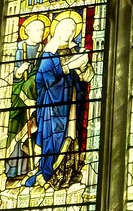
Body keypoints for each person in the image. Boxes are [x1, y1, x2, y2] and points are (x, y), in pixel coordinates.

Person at [25, 11, 93, 188]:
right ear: (59, 30)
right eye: (67, 29)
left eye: (73, 30)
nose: (70, 33)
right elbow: (43, 78)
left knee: (71, 133)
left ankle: (69, 173)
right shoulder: (50, 52)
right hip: (53, 104)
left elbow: (86, 77)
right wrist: (69, 66)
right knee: (54, 136)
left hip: (71, 100)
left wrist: (83, 66)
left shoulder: (75, 49)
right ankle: (48, 173)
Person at [5, 14, 48, 182]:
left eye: (43, 30)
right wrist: (17, 72)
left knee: (31, 131)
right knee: (16, 131)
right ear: (27, 31)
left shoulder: (44, 51)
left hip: (34, 95)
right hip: (17, 95)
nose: (41, 32)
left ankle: (27, 168)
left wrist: (31, 84)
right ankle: (12, 168)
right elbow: (7, 74)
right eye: (37, 29)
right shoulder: (17, 49)